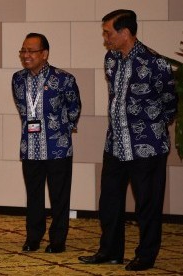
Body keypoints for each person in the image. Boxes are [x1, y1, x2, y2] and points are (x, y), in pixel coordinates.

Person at [78, 10, 177, 271]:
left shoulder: (155, 62)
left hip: (148, 146)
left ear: (125, 32)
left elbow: (170, 103)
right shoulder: (110, 59)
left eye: (108, 32)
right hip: (115, 145)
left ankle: (146, 255)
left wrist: (151, 128)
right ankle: (110, 252)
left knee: (148, 203)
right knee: (109, 201)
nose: (105, 37)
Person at [12, 33, 81, 254]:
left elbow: (74, 107)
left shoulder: (64, 79)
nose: (26, 55)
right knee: (34, 196)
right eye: (23, 50)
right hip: (30, 148)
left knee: (59, 197)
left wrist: (61, 128)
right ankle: (33, 237)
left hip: (58, 148)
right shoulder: (17, 79)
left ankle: (58, 240)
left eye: (31, 51)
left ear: (44, 53)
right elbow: (24, 110)